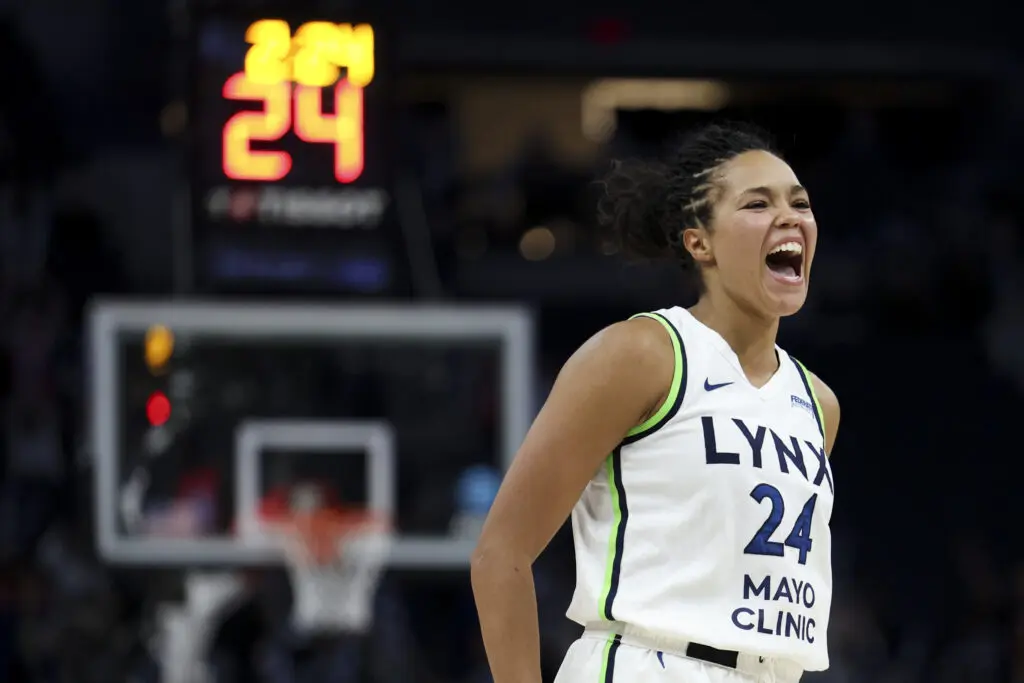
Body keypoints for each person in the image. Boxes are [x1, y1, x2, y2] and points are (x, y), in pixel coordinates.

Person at [471, 122, 840, 683]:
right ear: (700, 242)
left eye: (800, 203)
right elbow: (502, 553)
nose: (790, 217)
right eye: (757, 204)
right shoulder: (644, 354)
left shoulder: (817, 403)